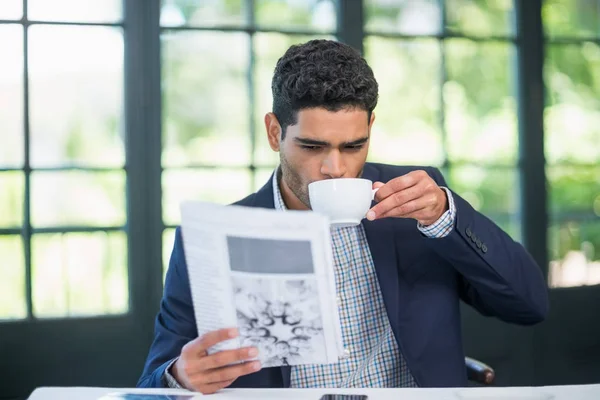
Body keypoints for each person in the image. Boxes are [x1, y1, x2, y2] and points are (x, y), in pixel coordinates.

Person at [137, 39, 548, 393]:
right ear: (275, 133)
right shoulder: (212, 238)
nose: (335, 168)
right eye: (312, 147)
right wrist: (180, 377)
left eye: (353, 146)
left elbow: (529, 305)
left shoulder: (417, 204)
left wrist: (445, 216)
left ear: (370, 126)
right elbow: (151, 384)